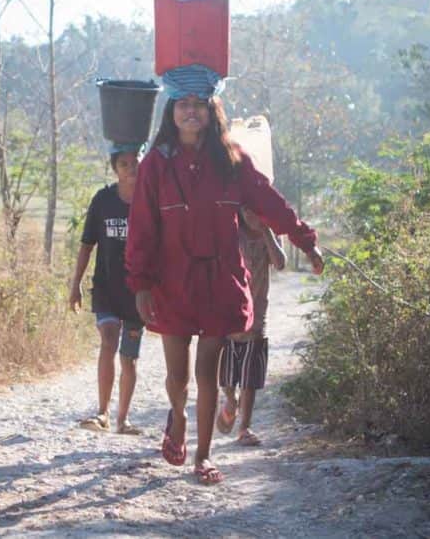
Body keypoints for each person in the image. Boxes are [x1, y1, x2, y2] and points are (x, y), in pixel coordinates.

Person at [125, 63, 324, 485]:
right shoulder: (154, 167)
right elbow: (141, 228)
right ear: (171, 109)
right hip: (171, 282)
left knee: (208, 373)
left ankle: (202, 456)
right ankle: (176, 416)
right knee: (178, 375)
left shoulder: (233, 161)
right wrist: (140, 282)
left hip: (219, 281)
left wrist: (305, 239)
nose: (191, 111)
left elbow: (270, 202)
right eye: (183, 104)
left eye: (200, 104)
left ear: (212, 109)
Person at [69, 143, 144, 436]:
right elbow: (87, 245)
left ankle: (123, 419)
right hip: (106, 289)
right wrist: (75, 284)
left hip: (139, 292)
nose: (131, 169)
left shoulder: (150, 201)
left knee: (129, 356)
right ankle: (102, 412)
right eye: (124, 164)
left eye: (135, 162)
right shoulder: (103, 200)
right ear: (115, 169)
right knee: (108, 340)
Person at [216, 207, 286, 446]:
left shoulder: (270, 234)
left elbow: (280, 263)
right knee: (227, 374)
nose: (252, 216)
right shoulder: (232, 232)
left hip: (257, 315)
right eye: (247, 210)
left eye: (257, 211)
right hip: (229, 312)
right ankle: (230, 399)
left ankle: (245, 427)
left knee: (250, 375)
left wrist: (266, 230)